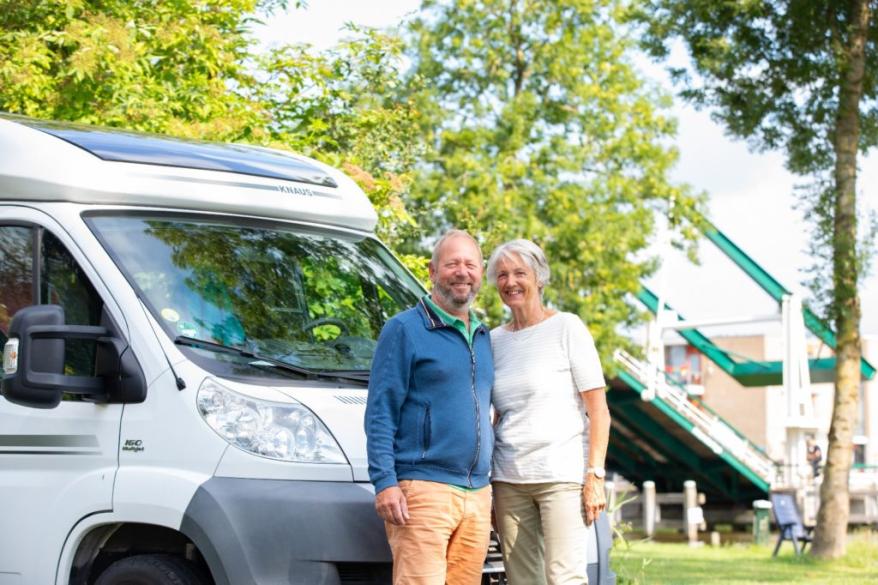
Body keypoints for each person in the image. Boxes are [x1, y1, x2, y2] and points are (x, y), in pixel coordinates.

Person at [365, 229, 495, 585]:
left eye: (471, 264)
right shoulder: (404, 329)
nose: (462, 272)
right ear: (432, 270)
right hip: (422, 490)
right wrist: (385, 482)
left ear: (481, 273)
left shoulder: (484, 337)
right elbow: (380, 411)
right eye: (452, 264)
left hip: (478, 494)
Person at [487, 239, 611, 585]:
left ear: (539, 277)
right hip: (509, 478)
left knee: (565, 577)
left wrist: (595, 477)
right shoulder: (493, 341)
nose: (510, 282)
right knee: (522, 579)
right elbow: (496, 415)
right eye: (502, 275)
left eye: (519, 273)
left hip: (561, 476)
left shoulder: (567, 328)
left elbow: (598, 410)